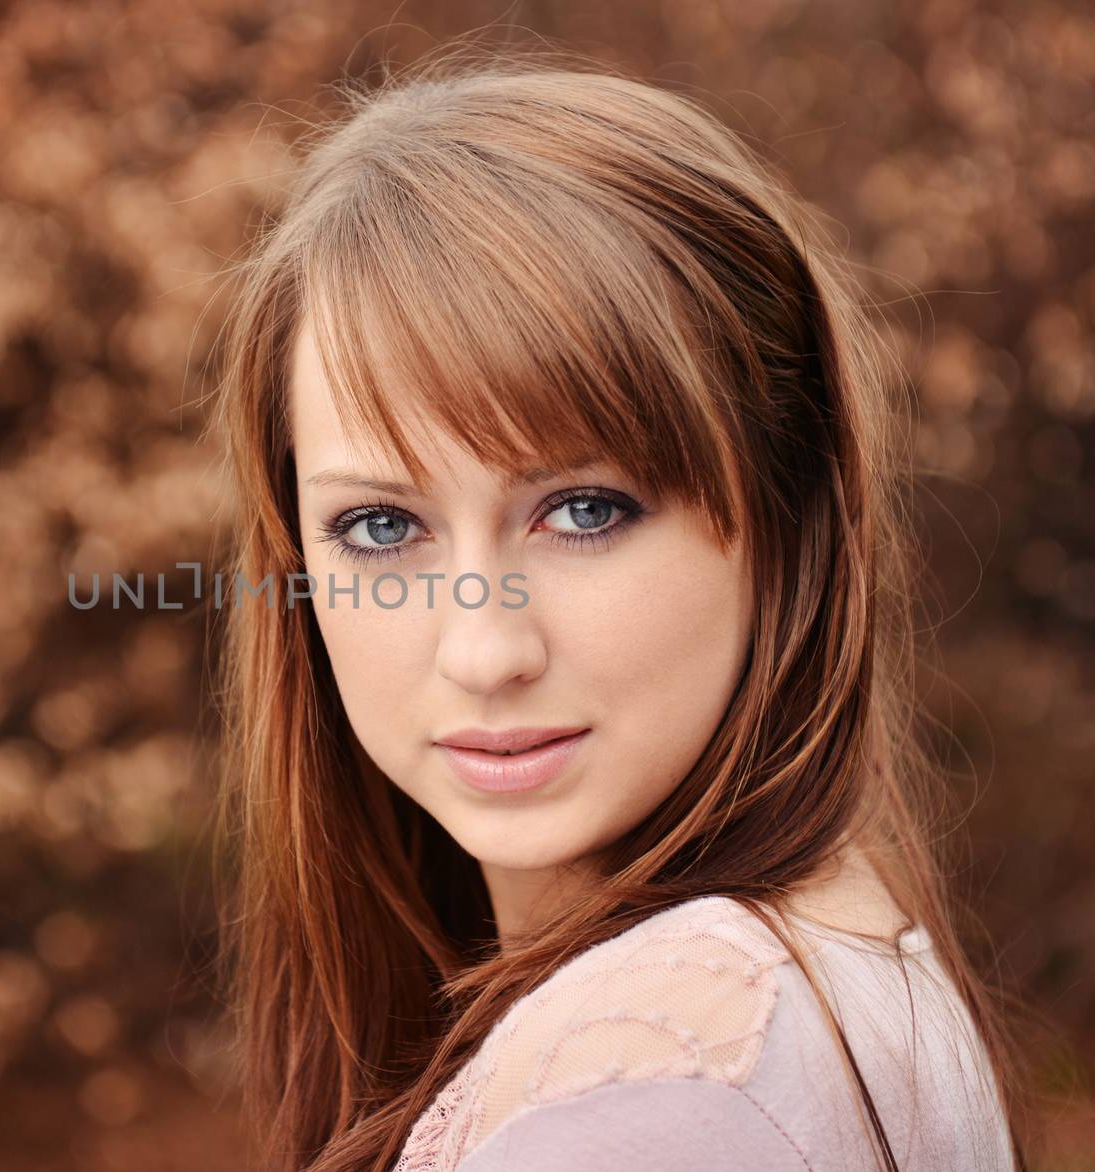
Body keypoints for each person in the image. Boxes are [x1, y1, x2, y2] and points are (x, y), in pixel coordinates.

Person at [204, 51, 1025, 1172]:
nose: (484, 647)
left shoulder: (653, 1079)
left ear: (786, 513)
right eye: (383, 528)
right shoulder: (831, 954)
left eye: (583, 510)